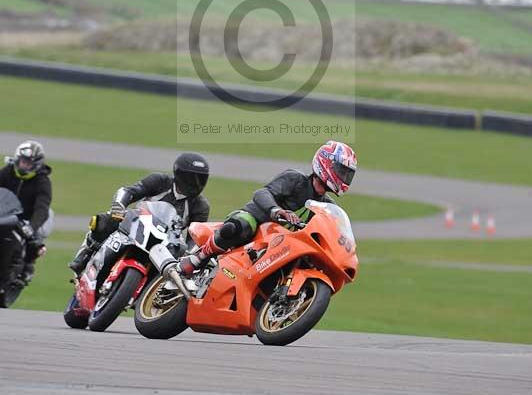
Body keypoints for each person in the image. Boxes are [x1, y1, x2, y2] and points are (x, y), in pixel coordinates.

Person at [176, 140, 357, 276]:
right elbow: (262, 193)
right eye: (341, 171)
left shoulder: (327, 207)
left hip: (282, 243)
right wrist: (276, 211)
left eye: (347, 174)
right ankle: (198, 257)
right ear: (326, 163)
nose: (344, 177)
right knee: (239, 226)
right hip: (257, 222)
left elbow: (332, 232)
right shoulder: (295, 179)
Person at [68, 152, 211, 275]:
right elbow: (129, 191)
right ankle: (85, 254)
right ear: (178, 173)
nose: (196, 184)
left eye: (200, 179)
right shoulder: (160, 181)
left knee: (181, 266)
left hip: (166, 243)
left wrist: (189, 254)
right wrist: (119, 206)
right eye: (191, 178)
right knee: (104, 221)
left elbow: (195, 237)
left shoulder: (201, 206)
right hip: (137, 226)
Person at [0, 140, 54, 287]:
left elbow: (42, 208)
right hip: (5, 214)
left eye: (28, 163)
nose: (24, 165)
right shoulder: (7, 172)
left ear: (36, 164)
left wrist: (32, 226)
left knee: (34, 239)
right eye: (23, 161)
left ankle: (28, 267)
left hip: (27, 219)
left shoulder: (43, 182)